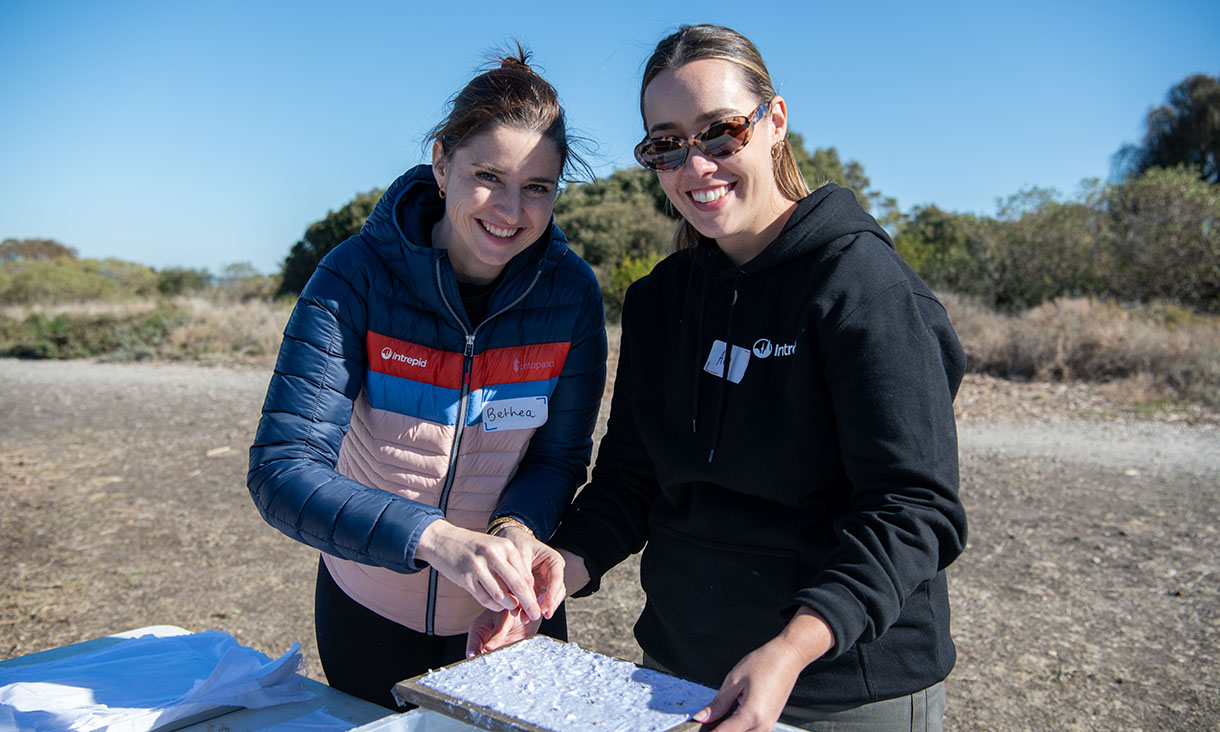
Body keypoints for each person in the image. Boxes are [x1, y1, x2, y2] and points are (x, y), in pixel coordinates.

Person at [470, 24, 967, 732]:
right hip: (676, 674)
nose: (695, 164)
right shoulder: (658, 301)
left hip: (840, 689)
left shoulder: (861, 286)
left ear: (774, 124)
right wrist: (556, 572)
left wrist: (791, 650)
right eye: (666, 144)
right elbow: (631, 483)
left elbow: (914, 509)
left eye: (720, 132)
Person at [247, 46, 607, 710]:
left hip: (510, 619)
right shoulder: (353, 276)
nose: (510, 210)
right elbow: (282, 469)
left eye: (537, 188)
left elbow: (559, 457)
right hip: (367, 612)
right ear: (442, 163)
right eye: (488, 175)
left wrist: (516, 531)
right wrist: (431, 538)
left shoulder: (572, 294)